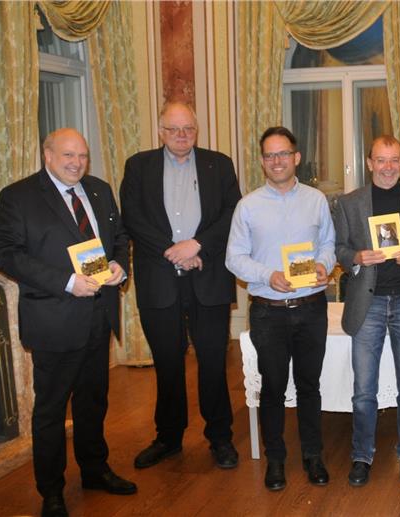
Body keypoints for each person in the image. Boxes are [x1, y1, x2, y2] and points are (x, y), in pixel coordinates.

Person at [0, 128, 136, 517]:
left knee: (93, 402)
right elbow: (6, 254)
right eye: (68, 155)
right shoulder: (18, 196)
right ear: (48, 155)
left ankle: (94, 470)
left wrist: (119, 264)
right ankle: (51, 491)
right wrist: (67, 282)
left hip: (98, 316)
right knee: (51, 411)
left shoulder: (99, 190)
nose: (77, 163)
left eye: (82, 155)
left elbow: (119, 237)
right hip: (54, 319)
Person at [120, 102, 241, 471]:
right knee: (167, 363)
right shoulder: (138, 166)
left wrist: (197, 245)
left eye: (188, 128)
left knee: (213, 361)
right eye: (173, 129)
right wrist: (174, 251)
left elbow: (232, 214)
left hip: (208, 277)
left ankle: (220, 437)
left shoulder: (219, 164)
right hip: (160, 279)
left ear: (196, 129)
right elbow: (132, 218)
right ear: (160, 131)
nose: (181, 135)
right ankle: (168, 438)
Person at [225, 126, 336, 491]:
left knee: (309, 385)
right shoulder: (248, 206)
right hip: (268, 311)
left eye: (283, 154)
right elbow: (234, 258)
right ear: (262, 161)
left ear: (296, 157)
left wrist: (323, 264)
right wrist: (267, 275)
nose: (277, 161)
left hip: (311, 307)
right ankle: (275, 459)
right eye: (270, 155)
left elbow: (329, 244)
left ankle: (313, 456)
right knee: (272, 387)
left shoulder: (316, 200)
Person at [333, 135, 400, 487]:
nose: (388, 167)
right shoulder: (349, 203)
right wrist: (356, 257)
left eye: (394, 160)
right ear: (369, 163)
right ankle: (361, 456)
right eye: (381, 160)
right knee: (364, 389)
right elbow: (339, 248)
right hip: (368, 303)